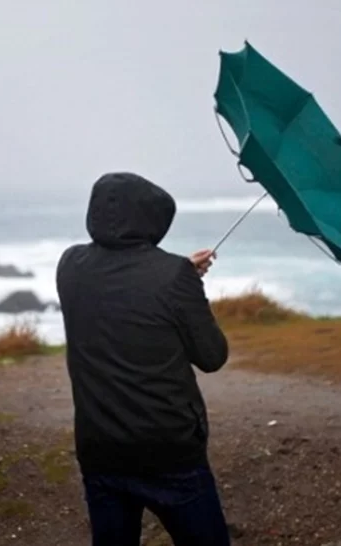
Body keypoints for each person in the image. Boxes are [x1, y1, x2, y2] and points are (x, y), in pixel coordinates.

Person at [55, 172, 232, 546]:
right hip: (168, 451)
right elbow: (212, 356)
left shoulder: (69, 265)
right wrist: (186, 280)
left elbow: (124, 285)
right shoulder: (172, 277)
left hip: (99, 446)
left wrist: (180, 274)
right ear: (155, 220)